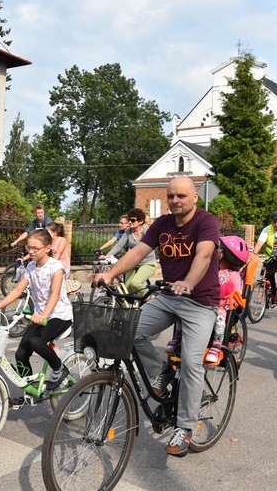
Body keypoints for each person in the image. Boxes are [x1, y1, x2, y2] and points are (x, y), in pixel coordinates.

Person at [94, 176, 219, 457]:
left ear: (194, 197)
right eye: (171, 196)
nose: (175, 200)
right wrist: (110, 274)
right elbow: (138, 252)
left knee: (190, 362)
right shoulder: (162, 224)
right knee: (130, 331)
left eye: (181, 196)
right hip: (168, 298)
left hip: (200, 302)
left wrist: (189, 281)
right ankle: (158, 373)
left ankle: (185, 428)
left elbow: (204, 255)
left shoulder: (206, 221)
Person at [0, 228, 73, 399]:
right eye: (28, 248)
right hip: (39, 316)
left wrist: (44, 314)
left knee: (37, 342)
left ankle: (59, 369)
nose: (30, 251)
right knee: (21, 354)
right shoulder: (30, 266)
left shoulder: (56, 267)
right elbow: (17, 291)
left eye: (34, 248)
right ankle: (29, 391)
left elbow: (54, 293)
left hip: (59, 315)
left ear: (47, 248)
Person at [164, 235, 249, 363]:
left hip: (223, 305)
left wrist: (230, 303)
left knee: (220, 315)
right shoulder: (211, 269)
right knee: (184, 309)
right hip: (206, 301)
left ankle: (216, 345)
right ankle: (178, 337)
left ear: (226, 256)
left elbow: (237, 294)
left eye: (220, 250)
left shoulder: (234, 275)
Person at [99, 207, 157, 295]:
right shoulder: (128, 232)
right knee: (127, 288)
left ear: (140, 221)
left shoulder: (147, 231)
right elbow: (118, 245)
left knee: (135, 283)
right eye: (129, 220)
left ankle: (148, 300)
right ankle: (135, 306)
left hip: (147, 263)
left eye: (133, 220)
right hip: (133, 263)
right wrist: (107, 256)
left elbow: (153, 244)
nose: (130, 222)